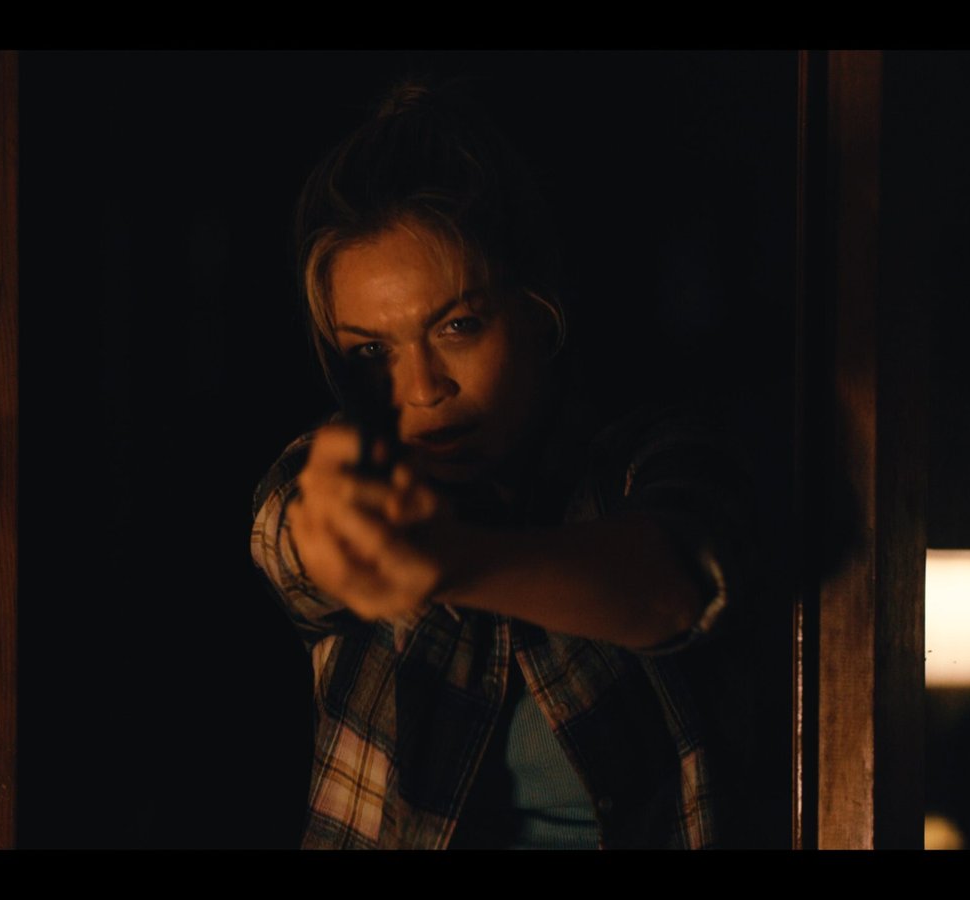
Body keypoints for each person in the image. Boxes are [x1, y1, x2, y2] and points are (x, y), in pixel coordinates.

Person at [250, 79, 750, 849]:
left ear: (537, 310)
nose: (422, 389)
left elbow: (680, 584)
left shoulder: (644, 458)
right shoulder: (337, 474)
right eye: (373, 352)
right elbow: (291, 543)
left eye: (457, 325)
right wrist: (340, 536)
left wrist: (452, 561)